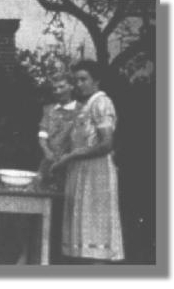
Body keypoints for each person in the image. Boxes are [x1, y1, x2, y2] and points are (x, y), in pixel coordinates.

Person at [51, 60, 124, 263]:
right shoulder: (84, 106)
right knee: (82, 238)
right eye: (76, 80)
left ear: (96, 80)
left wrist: (72, 156)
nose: (79, 84)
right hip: (81, 173)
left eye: (84, 79)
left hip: (97, 174)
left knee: (96, 236)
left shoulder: (102, 102)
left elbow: (107, 144)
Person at [38, 73, 80, 190]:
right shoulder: (49, 109)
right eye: (55, 88)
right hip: (49, 162)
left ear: (71, 87)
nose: (58, 91)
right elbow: (42, 135)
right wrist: (47, 152)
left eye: (62, 87)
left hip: (71, 164)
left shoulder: (81, 110)